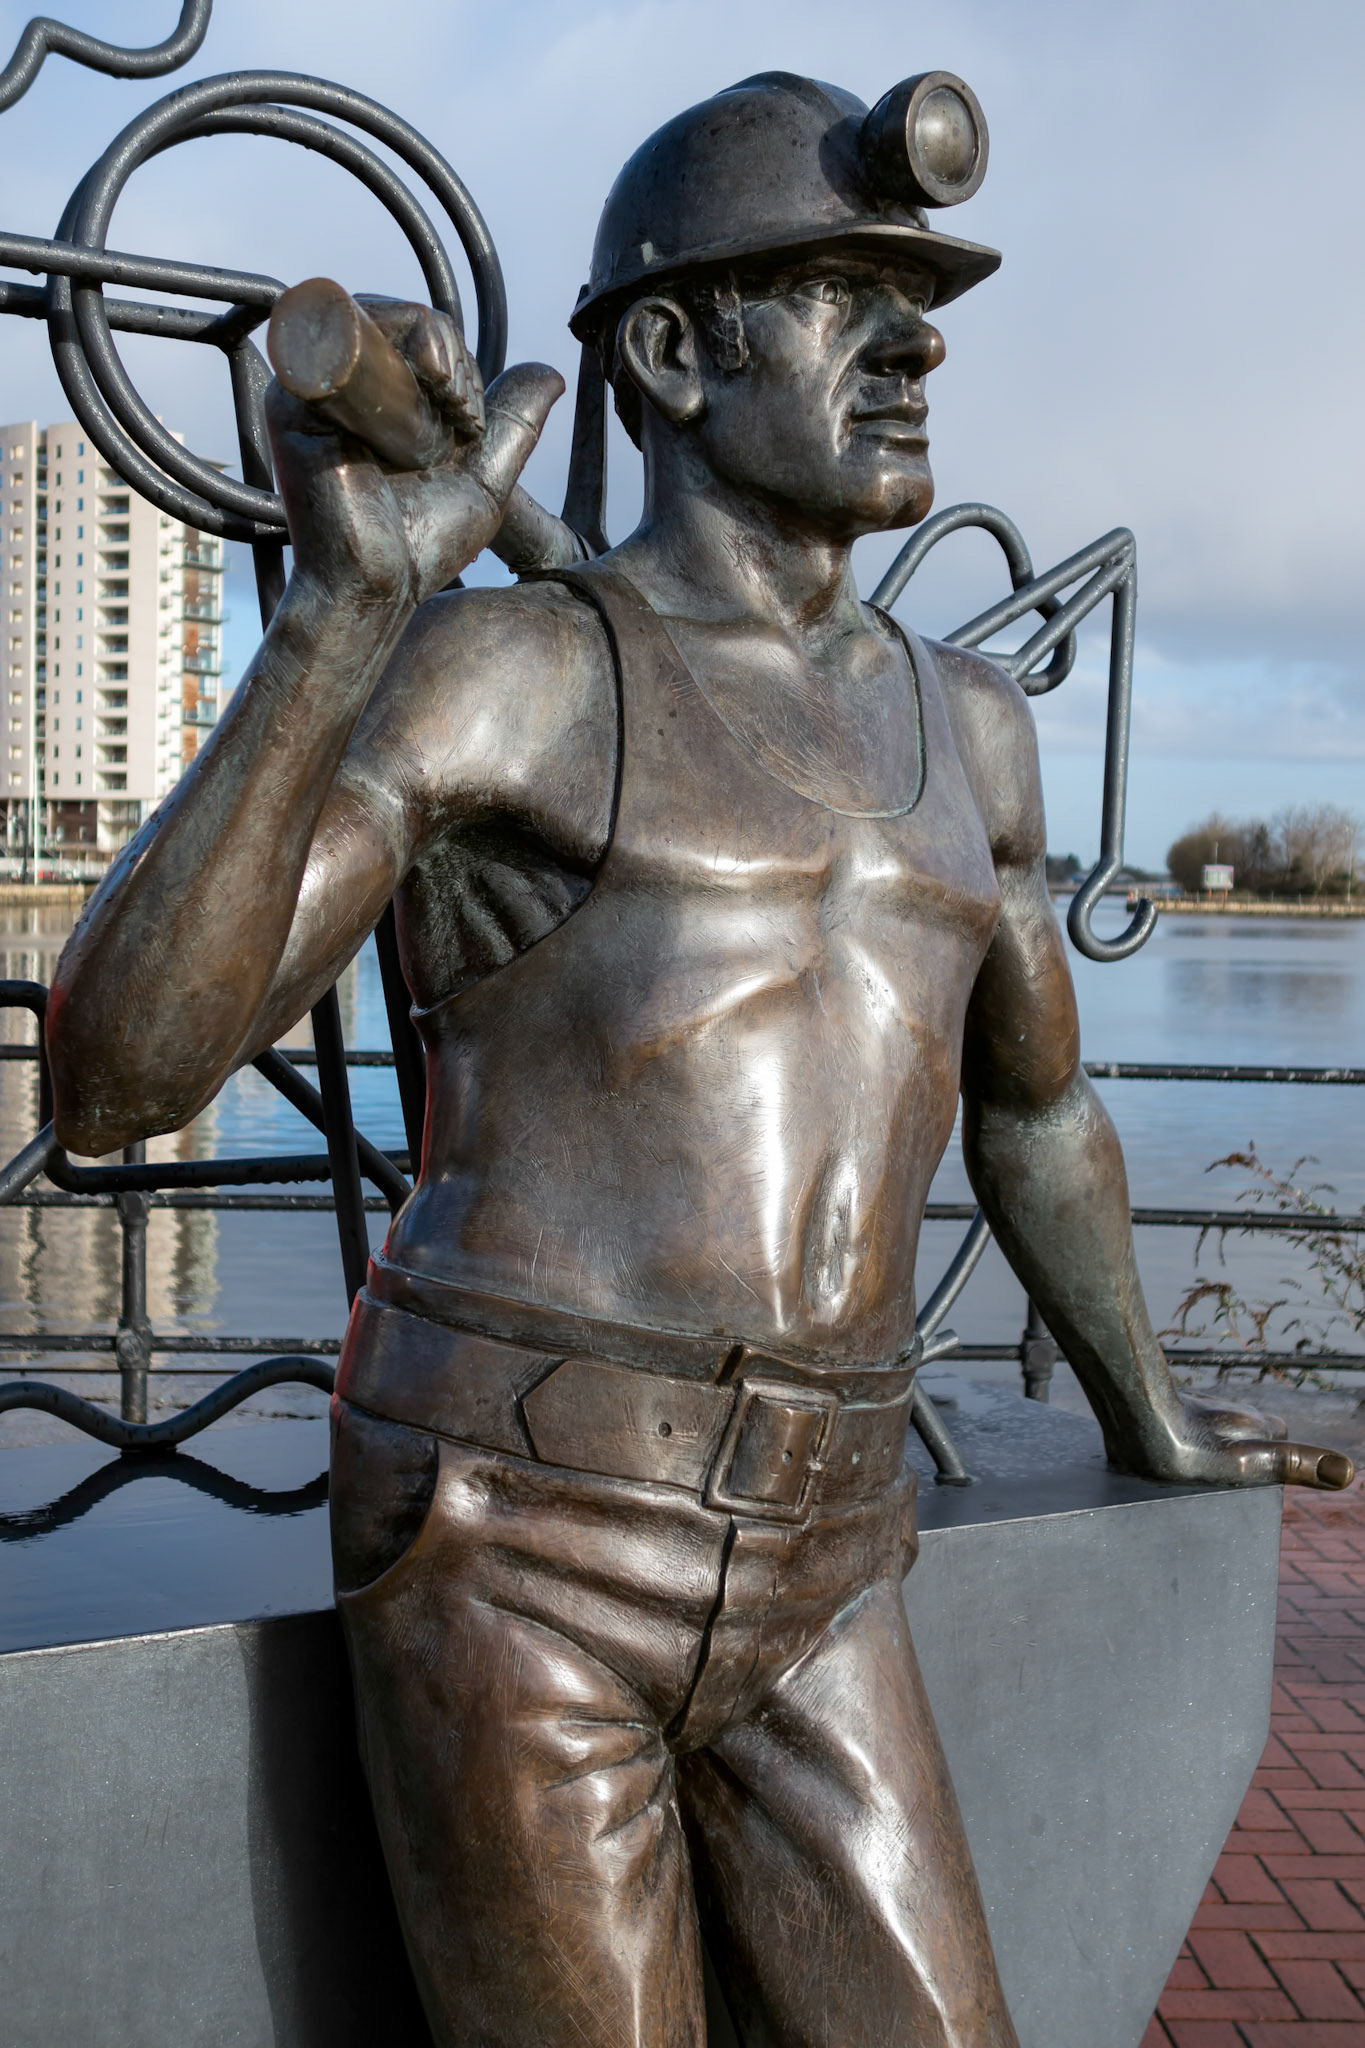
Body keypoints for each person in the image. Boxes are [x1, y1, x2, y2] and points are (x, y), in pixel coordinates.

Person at [45, 69, 1350, 2048]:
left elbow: (1034, 1110)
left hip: (831, 1549)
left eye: (918, 304)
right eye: (840, 291)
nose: (912, 344)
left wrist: (1148, 1412)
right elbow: (115, 1078)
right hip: (515, 1538)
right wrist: (333, 629)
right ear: (668, 349)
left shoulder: (969, 733)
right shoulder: (513, 676)